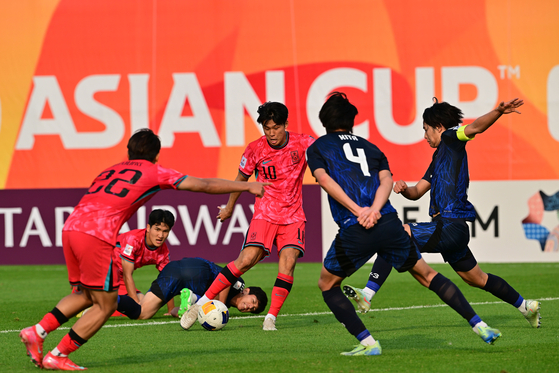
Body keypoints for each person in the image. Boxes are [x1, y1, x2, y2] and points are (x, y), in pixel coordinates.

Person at [19, 128, 269, 370]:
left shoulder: (110, 170)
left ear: (128, 152)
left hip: (71, 228)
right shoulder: (153, 171)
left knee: (86, 295)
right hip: (97, 234)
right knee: (105, 306)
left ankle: (37, 331)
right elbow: (202, 184)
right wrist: (246, 186)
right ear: (157, 155)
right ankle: (58, 355)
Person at [306, 92, 501, 356]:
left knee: (327, 285)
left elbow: (326, 181)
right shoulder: (371, 148)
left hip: (356, 226)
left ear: (323, 120)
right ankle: (480, 325)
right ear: (352, 120)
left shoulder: (318, 147)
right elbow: (386, 181)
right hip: (388, 222)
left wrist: (360, 212)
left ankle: (368, 343)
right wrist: (375, 209)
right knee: (428, 275)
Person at [344, 98, 541, 329]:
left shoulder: (450, 138)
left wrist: (498, 111)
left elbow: (476, 127)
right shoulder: (438, 157)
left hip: (450, 225)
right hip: (450, 230)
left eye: (426, 130)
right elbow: (418, 191)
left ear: (438, 127)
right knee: (476, 278)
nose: (425, 136)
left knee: (396, 234)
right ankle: (525, 306)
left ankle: (367, 293)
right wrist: (405, 189)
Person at [180, 101, 315, 331]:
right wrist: (230, 206)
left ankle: (270, 318)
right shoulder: (255, 149)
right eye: (267, 127)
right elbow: (240, 180)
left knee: (288, 262)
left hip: (293, 215)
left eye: (276, 127)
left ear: (286, 124)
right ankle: (200, 305)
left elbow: (328, 153)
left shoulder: (303, 143)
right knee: (245, 260)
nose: (271, 133)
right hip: (265, 213)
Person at [116, 257, 268, 320]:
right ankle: (192, 299)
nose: (250, 307)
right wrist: (221, 307)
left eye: (253, 309)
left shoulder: (226, 303)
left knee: (142, 313)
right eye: (253, 301)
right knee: (208, 302)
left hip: (174, 272)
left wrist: (180, 312)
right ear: (247, 291)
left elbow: (177, 311)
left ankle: (111, 299)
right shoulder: (239, 284)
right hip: (195, 271)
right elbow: (225, 279)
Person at [113, 209, 175, 316]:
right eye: (157, 229)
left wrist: (171, 310)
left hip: (120, 278)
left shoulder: (163, 252)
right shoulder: (133, 240)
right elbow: (128, 274)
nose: (160, 235)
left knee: (143, 304)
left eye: (165, 231)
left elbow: (167, 280)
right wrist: (134, 304)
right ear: (148, 228)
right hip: (103, 272)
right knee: (133, 307)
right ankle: (89, 301)